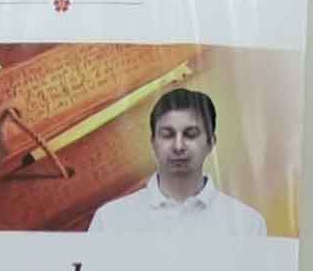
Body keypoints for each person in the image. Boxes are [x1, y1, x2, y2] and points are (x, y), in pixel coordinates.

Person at [88, 88, 268, 234]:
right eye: (167, 135)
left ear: (211, 142)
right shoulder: (110, 221)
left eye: (191, 134)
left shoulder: (248, 225)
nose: (178, 146)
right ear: (153, 142)